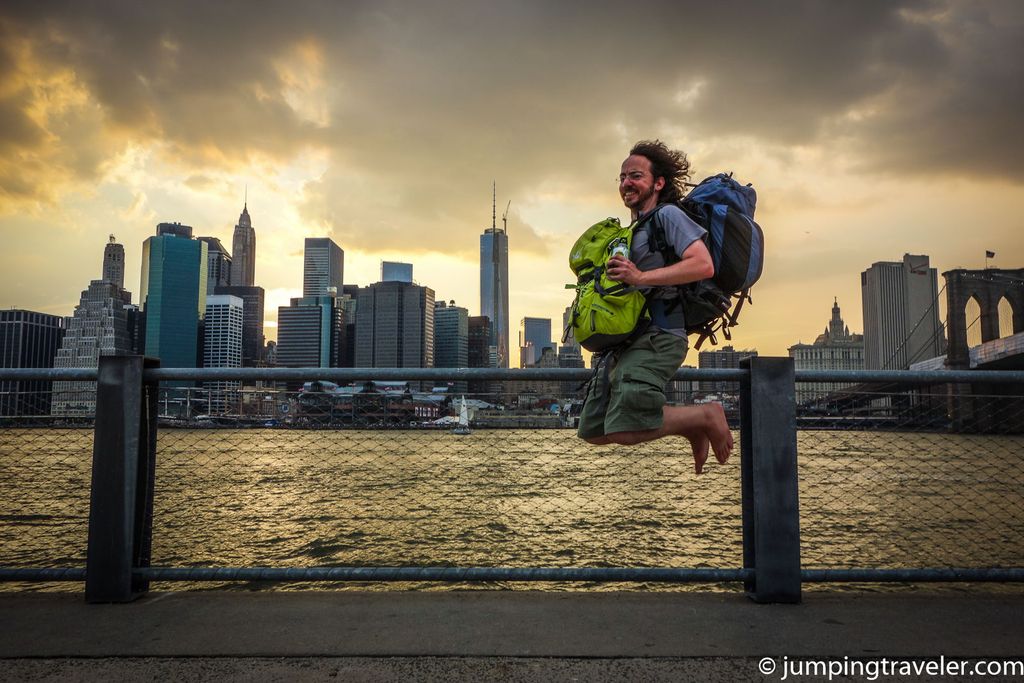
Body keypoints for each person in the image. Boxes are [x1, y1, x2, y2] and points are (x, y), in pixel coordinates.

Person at [577, 140, 733, 475]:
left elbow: (703, 264)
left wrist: (639, 276)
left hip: (660, 334)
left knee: (625, 428)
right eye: (622, 177)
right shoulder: (633, 229)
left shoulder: (668, 215)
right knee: (594, 430)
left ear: (658, 183)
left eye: (636, 176)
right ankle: (690, 426)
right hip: (629, 341)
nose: (626, 183)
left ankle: (705, 415)